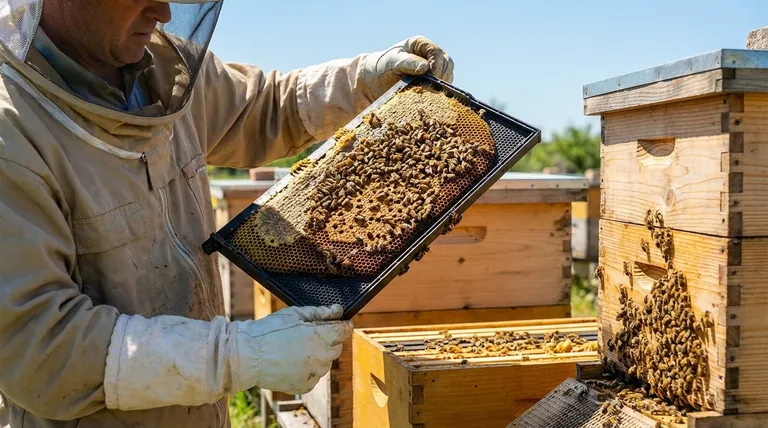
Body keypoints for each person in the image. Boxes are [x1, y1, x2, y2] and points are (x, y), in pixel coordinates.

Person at [0, 0, 454, 427]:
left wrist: (364, 81)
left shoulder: (162, 67)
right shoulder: (13, 133)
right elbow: (37, 347)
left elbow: (267, 107)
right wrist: (234, 357)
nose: (163, 11)